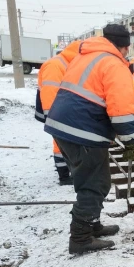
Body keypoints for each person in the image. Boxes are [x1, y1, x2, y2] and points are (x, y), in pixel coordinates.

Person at [44, 24, 134, 254]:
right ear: (125, 47)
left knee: (88, 179)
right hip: (83, 129)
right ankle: (80, 238)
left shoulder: (86, 55)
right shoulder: (114, 64)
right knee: (96, 184)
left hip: (65, 126)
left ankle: (92, 224)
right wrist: (130, 141)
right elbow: (121, 108)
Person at [36, 40, 82, 185]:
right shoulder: (56, 65)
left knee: (65, 142)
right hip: (57, 112)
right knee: (60, 143)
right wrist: (54, 117)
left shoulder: (67, 63)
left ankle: (69, 171)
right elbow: (50, 92)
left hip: (63, 111)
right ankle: (64, 176)